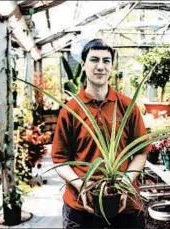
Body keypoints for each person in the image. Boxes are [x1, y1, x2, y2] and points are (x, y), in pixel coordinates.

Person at [51, 39, 149, 228]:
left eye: (106, 61)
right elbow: (59, 160)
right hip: (81, 206)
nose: (100, 67)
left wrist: (125, 181)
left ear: (111, 66)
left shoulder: (128, 106)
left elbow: (141, 152)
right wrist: (82, 185)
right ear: (83, 65)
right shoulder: (71, 110)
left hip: (125, 204)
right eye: (94, 60)